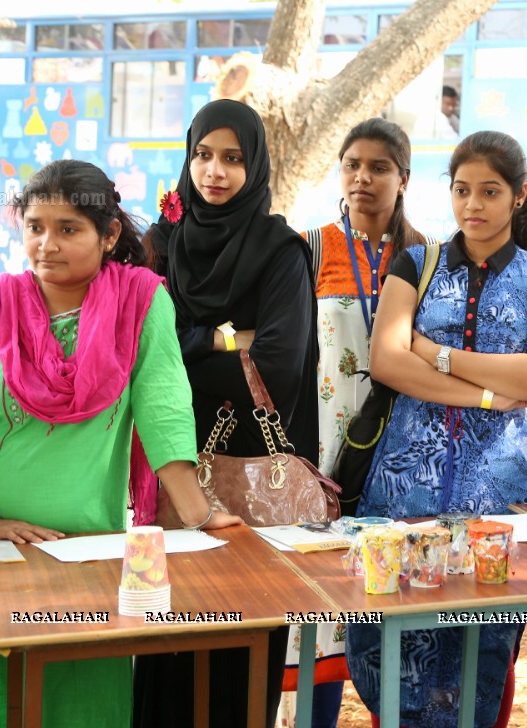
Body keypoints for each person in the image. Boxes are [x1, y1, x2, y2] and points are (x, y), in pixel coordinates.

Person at [0, 160, 240, 727]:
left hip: (88, 543)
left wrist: (200, 513)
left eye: (68, 229)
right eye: (34, 227)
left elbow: (163, 406)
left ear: (108, 236)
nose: (46, 245)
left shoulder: (140, 302)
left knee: (80, 690)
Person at [347, 130, 527, 728]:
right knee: (383, 643)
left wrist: (437, 354)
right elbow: (389, 361)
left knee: (485, 649)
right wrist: (492, 394)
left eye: (490, 191)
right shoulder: (415, 263)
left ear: (519, 195)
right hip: (402, 495)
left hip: (497, 503)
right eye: (462, 190)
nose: (473, 205)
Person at [133, 99, 318, 728]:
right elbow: (140, 350)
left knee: (242, 638)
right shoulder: (162, 244)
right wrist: (219, 338)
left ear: (256, 165)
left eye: (233, 158)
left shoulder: (280, 250)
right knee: (163, 636)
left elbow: (280, 362)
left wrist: (181, 346)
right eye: (203, 155)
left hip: (246, 468)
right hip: (164, 466)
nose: (214, 171)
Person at [288, 118, 427, 727]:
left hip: (402, 454)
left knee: (393, 599)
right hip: (325, 453)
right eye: (352, 165)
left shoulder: (427, 256)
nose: (362, 178)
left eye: (379, 167)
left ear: (404, 177)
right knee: (317, 606)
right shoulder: (309, 248)